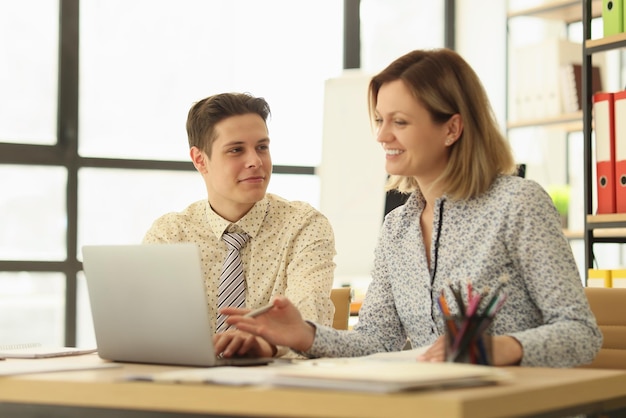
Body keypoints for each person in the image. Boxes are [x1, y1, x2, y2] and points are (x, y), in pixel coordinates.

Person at [222, 49, 603, 367]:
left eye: (399, 122)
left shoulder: (517, 204)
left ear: (452, 129)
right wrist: (305, 335)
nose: (381, 135)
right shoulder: (398, 226)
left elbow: (581, 333)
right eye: (379, 120)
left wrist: (502, 348)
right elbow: (378, 339)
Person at [143, 92, 336, 359]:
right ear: (200, 160)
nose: (255, 161)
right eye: (236, 150)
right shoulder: (169, 235)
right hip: (185, 386)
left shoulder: (304, 225)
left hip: (278, 390)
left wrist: (267, 345)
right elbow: (147, 325)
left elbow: (309, 315)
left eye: (262, 147)